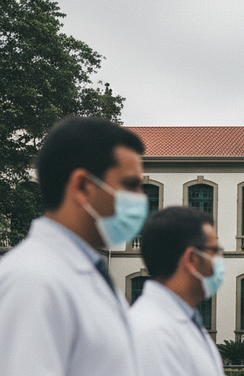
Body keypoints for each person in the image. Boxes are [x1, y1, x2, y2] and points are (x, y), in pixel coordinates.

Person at [0, 116, 148, 375]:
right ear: (82, 186)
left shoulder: (87, 274)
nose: (141, 199)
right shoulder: (33, 281)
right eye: (130, 185)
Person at [130, 206, 226, 376]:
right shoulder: (153, 333)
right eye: (214, 251)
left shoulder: (184, 321)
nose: (219, 259)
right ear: (191, 258)